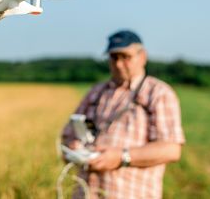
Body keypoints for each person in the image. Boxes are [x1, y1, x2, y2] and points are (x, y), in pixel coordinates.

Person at [61, 30, 185, 199]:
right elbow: (67, 135)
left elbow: (171, 149)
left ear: (143, 56)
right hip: (85, 193)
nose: (118, 64)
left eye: (125, 57)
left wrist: (122, 157)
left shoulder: (158, 93)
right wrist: (73, 148)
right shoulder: (96, 92)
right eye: (114, 57)